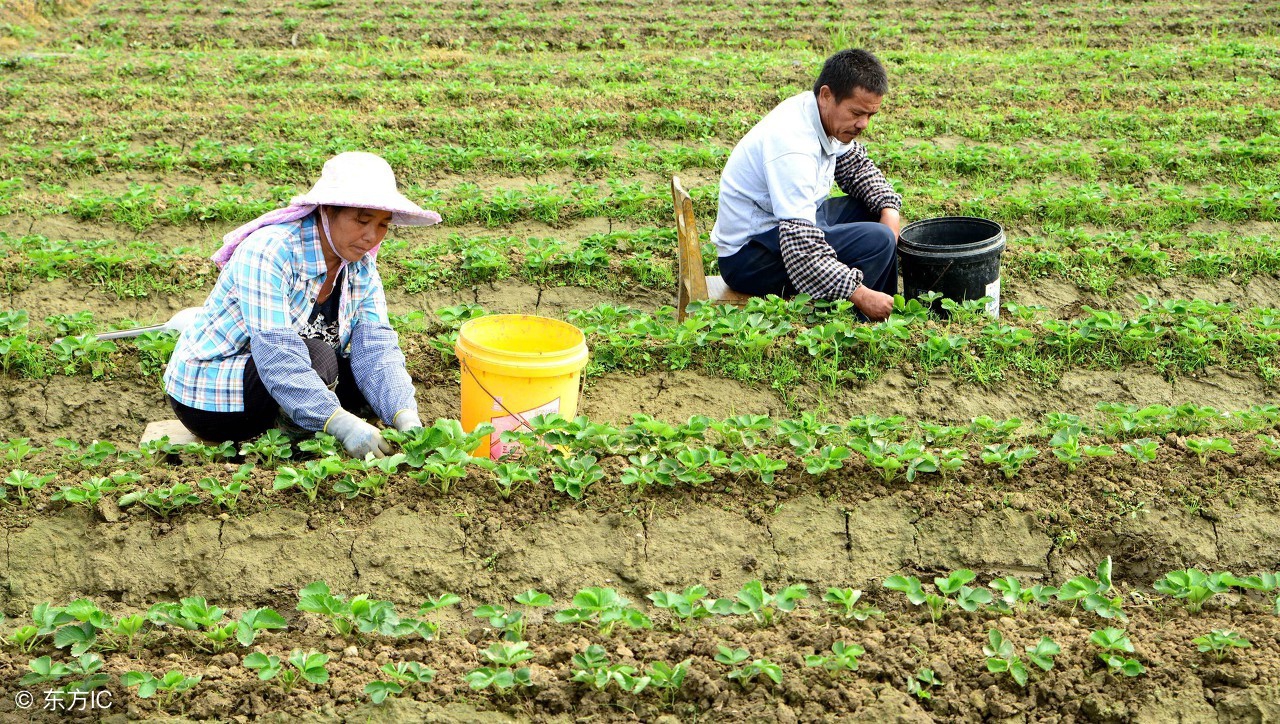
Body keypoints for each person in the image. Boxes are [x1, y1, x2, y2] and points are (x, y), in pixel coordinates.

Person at [163, 152, 441, 458]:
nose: (371, 236)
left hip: (283, 380)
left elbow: (377, 349)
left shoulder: (360, 267)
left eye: (382, 225)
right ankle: (297, 448)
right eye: (362, 221)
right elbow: (277, 354)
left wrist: (405, 417)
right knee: (318, 356)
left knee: (368, 383)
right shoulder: (270, 251)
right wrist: (340, 422)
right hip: (214, 396)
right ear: (326, 211)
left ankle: (312, 421)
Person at [712, 48, 902, 321]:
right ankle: (857, 321)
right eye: (857, 113)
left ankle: (879, 309)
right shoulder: (793, 146)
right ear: (827, 95)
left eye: (870, 115)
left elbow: (856, 166)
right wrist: (859, 293)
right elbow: (800, 245)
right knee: (879, 240)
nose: (863, 124)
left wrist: (888, 209)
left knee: (875, 214)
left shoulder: (823, 115)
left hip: (790, 225)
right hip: (750, 257)